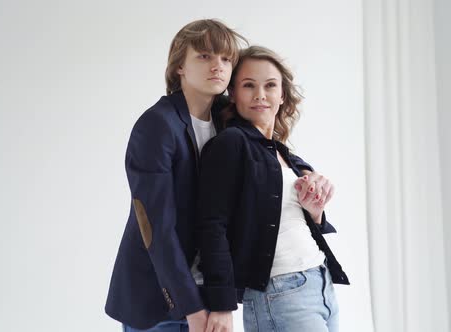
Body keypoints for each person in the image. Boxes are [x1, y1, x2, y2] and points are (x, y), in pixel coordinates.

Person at [105, 20, 329, 332]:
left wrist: (308, 173)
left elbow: (268, 148)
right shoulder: (158, 126)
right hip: (161, 299)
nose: (218, 67)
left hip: (209, 292)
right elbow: (156, 227)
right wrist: (192, 308)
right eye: (205, 57)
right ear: (180, 66)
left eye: (226, 59)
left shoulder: (227, 116)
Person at [196, 46, 350, 332]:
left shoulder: (280, 152)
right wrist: (221, 303)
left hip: (320, 281)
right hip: (281, 292)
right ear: (233, 93)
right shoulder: (231, 143)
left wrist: (315, 211)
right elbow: (212, 225)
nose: (260, 95)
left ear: (282, 95)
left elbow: (284, 219)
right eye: (248, 85)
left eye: (270, 85)